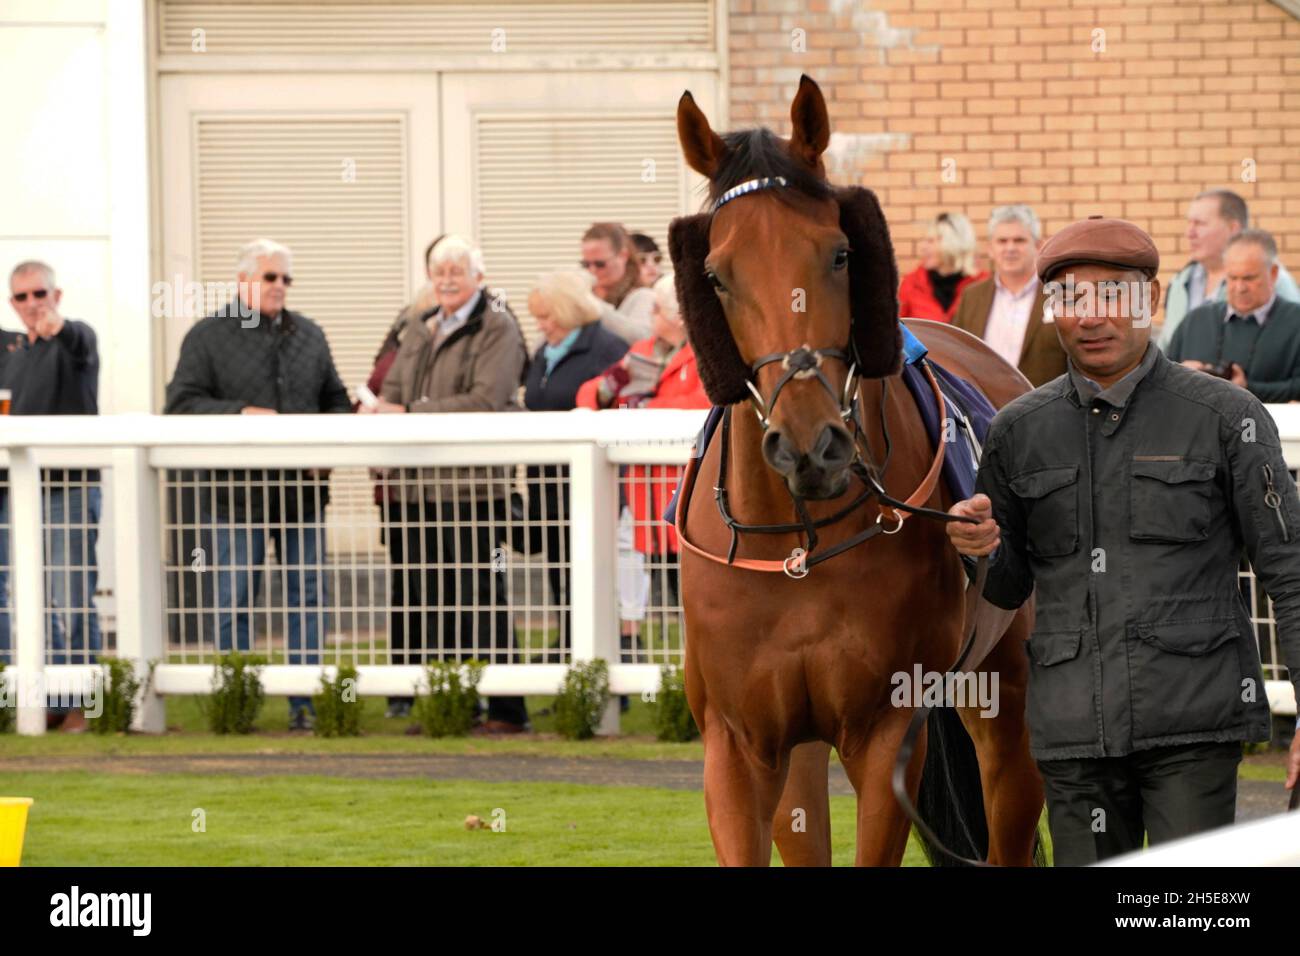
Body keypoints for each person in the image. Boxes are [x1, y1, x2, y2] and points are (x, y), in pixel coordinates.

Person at [945, 215, 1300, 865]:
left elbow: (1289, 570)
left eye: (1112, 295)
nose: (1091, 315)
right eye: (1072, 298)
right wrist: (981, 552)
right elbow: (1008, 583)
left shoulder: (1228, 418)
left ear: (1153, 301)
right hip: (1073, 738)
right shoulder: (1017, 431)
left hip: (1192, 731)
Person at [164, 238, 351, 731]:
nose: (280, 286)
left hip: (302, 496)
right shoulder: (207, 336)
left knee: (308, 595)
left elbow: (335, 400)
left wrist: (326, 452)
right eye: (271, 277)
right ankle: (236, 703)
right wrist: (241, 413)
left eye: (287, 278)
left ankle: (304, 703)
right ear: (245, 280)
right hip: (235, 496)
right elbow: (180, 404)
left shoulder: (309, 334)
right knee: (235, 597)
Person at [361, 235, 531, 734]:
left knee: (478, 596)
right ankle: (449, 707)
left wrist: (408, 412)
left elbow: (487, 400)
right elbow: (389, 393)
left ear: (480, 276)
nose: (448, 278)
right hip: (414, 491)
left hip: (472, 490)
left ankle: (504, 709)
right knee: (429, 598)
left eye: (458, 269)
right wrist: (385, 410)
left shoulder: (497, 326)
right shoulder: (418, 327)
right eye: (439, 270)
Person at [576, 272, 709, 698]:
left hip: (691, 499)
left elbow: (706, 403)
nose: (649, 316)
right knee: (659, 594)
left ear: (681, 316)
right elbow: (587, 396)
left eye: (656, 308)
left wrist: (646, 405)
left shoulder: (707, 353)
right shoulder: (642, 353)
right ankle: (672, 685)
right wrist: (605, 390)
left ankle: (701, 684)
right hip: (645, 500)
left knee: (696, 603)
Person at [1, 261, 101, 731]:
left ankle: (83, 704)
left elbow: (76, 340)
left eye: (39, 293)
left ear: (56, 294)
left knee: (73, 597)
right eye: (21, 297)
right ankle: (43, 702)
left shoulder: (76, 339)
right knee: (31, 603)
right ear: (11, 303)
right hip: (16, 494)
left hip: (69, 489)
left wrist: (56, 328)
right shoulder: (11, 353)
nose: (31, 303)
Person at [522, 270, 629, 650]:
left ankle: (603, 657)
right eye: (538, 317)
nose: (542, 325)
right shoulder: (543, 353)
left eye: (548, 316)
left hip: (589, 486)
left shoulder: (606, 349)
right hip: (546, 483)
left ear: (568, 311)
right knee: (559, 572)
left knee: (591, 574)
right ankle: (568, 653)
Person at [1166, 229, 1300, 403]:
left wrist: (1248, 388)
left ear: (1273, 274)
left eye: (1249, 278)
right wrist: (1180, 375)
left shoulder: (1295, 321)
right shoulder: (1195, 320)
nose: (1239, 287)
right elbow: (1160, 379)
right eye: (1232, 277)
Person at [1157, 189, 1299, 351]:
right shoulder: (1180, 283)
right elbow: (1166, 347)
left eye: (1200, 223)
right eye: (1189, 223)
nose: (1189, 233)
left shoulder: (1273, 280)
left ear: (1233, 229)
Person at [950, 205, 1067, 386]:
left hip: (1044, 408)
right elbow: (955, 355)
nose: (1010, 248)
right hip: (984, 409)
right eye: (1002, 241)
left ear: (1038, 246)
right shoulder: (971, 296)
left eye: (1019, 240)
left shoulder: (1061, 294)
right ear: (990, 248)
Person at [897, 212, 986, 322]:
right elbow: (898, 330)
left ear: (954, 243)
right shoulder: (911, 284)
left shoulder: (983, 283)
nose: (923, 247)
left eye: (931, 241)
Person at [581, 222, 655, 344]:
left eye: (600, 264)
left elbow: (642, 338)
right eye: (586, 264)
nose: (592, 270)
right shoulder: (589, 292)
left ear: (623, 255)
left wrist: (592, 304)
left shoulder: (643, 296)